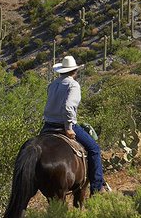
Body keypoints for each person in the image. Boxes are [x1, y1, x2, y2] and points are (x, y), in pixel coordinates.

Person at [40, 55, 106, 194]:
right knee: (94, 149)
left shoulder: (52, 85)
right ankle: (97, 188)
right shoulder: (73, 85)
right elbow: (69, 107)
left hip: (48, 126)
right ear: (74, 71)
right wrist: (69, 128)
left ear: (61, 71)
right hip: (64, 125)